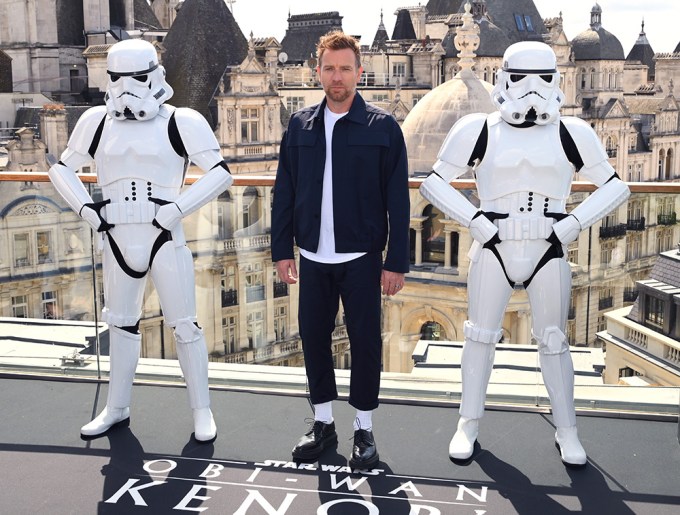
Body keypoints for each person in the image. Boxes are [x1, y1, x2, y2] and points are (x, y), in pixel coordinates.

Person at [420, 41, 630, 466]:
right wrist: (478, 222)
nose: (532, 88)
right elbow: (434, 183)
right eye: (522, 77)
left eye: (543, 77)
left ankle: (567, 429)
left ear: (556, 79)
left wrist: (570, 225)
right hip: (494, 244)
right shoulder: (478, 129)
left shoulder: (573, 132)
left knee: (554, 340)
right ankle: (469, 422)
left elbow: (615, 186)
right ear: (504, 78)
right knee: (479, 336)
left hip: (547, 246)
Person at [48, 39, 233, 442]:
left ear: (153, 75)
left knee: (185, 325)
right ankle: (116, 407)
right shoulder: (96, 121)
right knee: (120, 324)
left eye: (136, 77)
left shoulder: (181, 121)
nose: (126, 86)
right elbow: (61, 169)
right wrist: (87, 209)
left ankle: (202, 410)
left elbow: (220, 172)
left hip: (164, 234)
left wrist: (178, 209)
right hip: (115, 235)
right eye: (117, 77)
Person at [272, 31, 410, 469]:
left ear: (359, 72)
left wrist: (396, 261)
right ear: (317, 72)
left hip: (362, 259)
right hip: (312, 256)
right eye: (329, 68)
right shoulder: (299, 125)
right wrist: (282, 250)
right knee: (313, 339)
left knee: (365, 342)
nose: (337, 77)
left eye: (345, 68)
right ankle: (324, 422)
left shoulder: (384, 127)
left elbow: (398, 201)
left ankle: (365, 429)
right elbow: (284, 191)